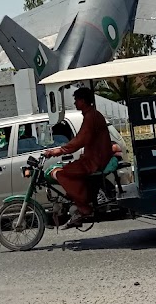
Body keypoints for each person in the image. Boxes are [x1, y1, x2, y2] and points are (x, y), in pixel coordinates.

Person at [43, 87, 114, 228]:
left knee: (61, 174)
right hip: (93, 157)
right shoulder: (91, 115)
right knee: (65, 170)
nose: (75, 103)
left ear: (82, 101)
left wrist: (59, 150)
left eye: (76, 100)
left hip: (94, 160)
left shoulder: (91, 116)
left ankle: (83, 206)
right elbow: (81, 138)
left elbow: (81, 139)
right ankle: (77, 202)